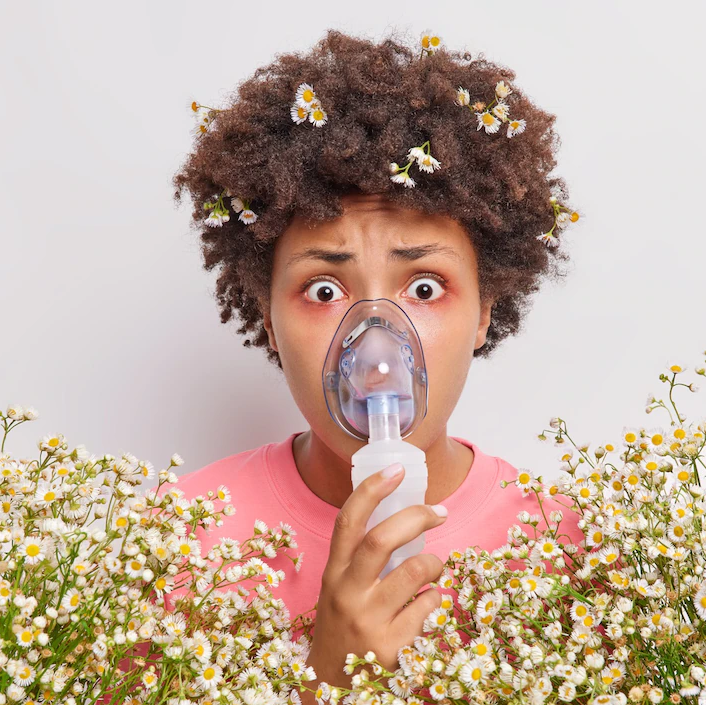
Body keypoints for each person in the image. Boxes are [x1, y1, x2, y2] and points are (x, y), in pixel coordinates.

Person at [162, 27, 584, 701]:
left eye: (425, 287)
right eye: (324, 291)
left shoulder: (571, 549)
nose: (378, 347)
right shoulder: (177, 540)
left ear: (484, 309)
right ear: (268, 317)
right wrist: (324, 683)